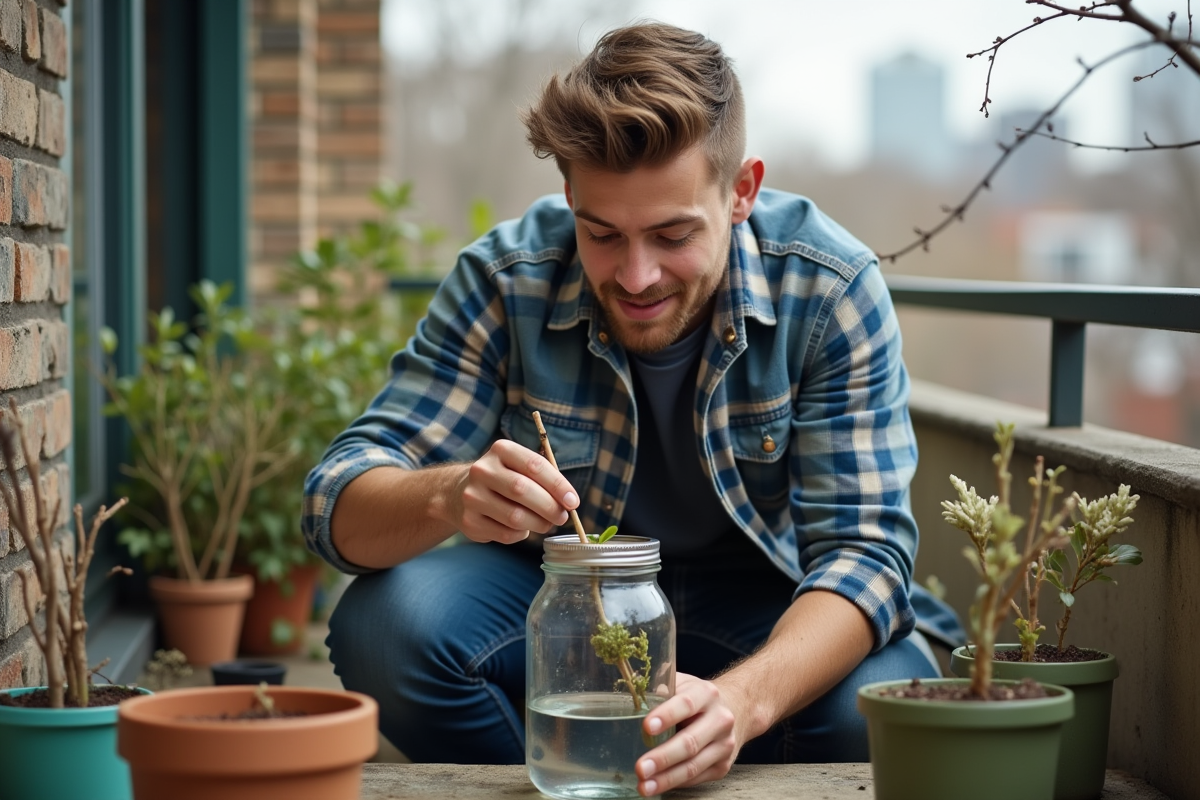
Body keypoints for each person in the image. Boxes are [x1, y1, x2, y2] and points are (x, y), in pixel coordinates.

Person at [303, 21, 962, 795]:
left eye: (672, 233)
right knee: (385, 627)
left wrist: (742, 702)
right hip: (559, 612)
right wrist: (450, 494)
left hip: (767, 605)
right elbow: (334, 501)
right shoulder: (504, 278)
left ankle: (697, 751)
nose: (638, 275)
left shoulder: (830, 289)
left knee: (873, 704)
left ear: (742, 191)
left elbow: (867, 555)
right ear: (569, 198)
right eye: (603, 233)